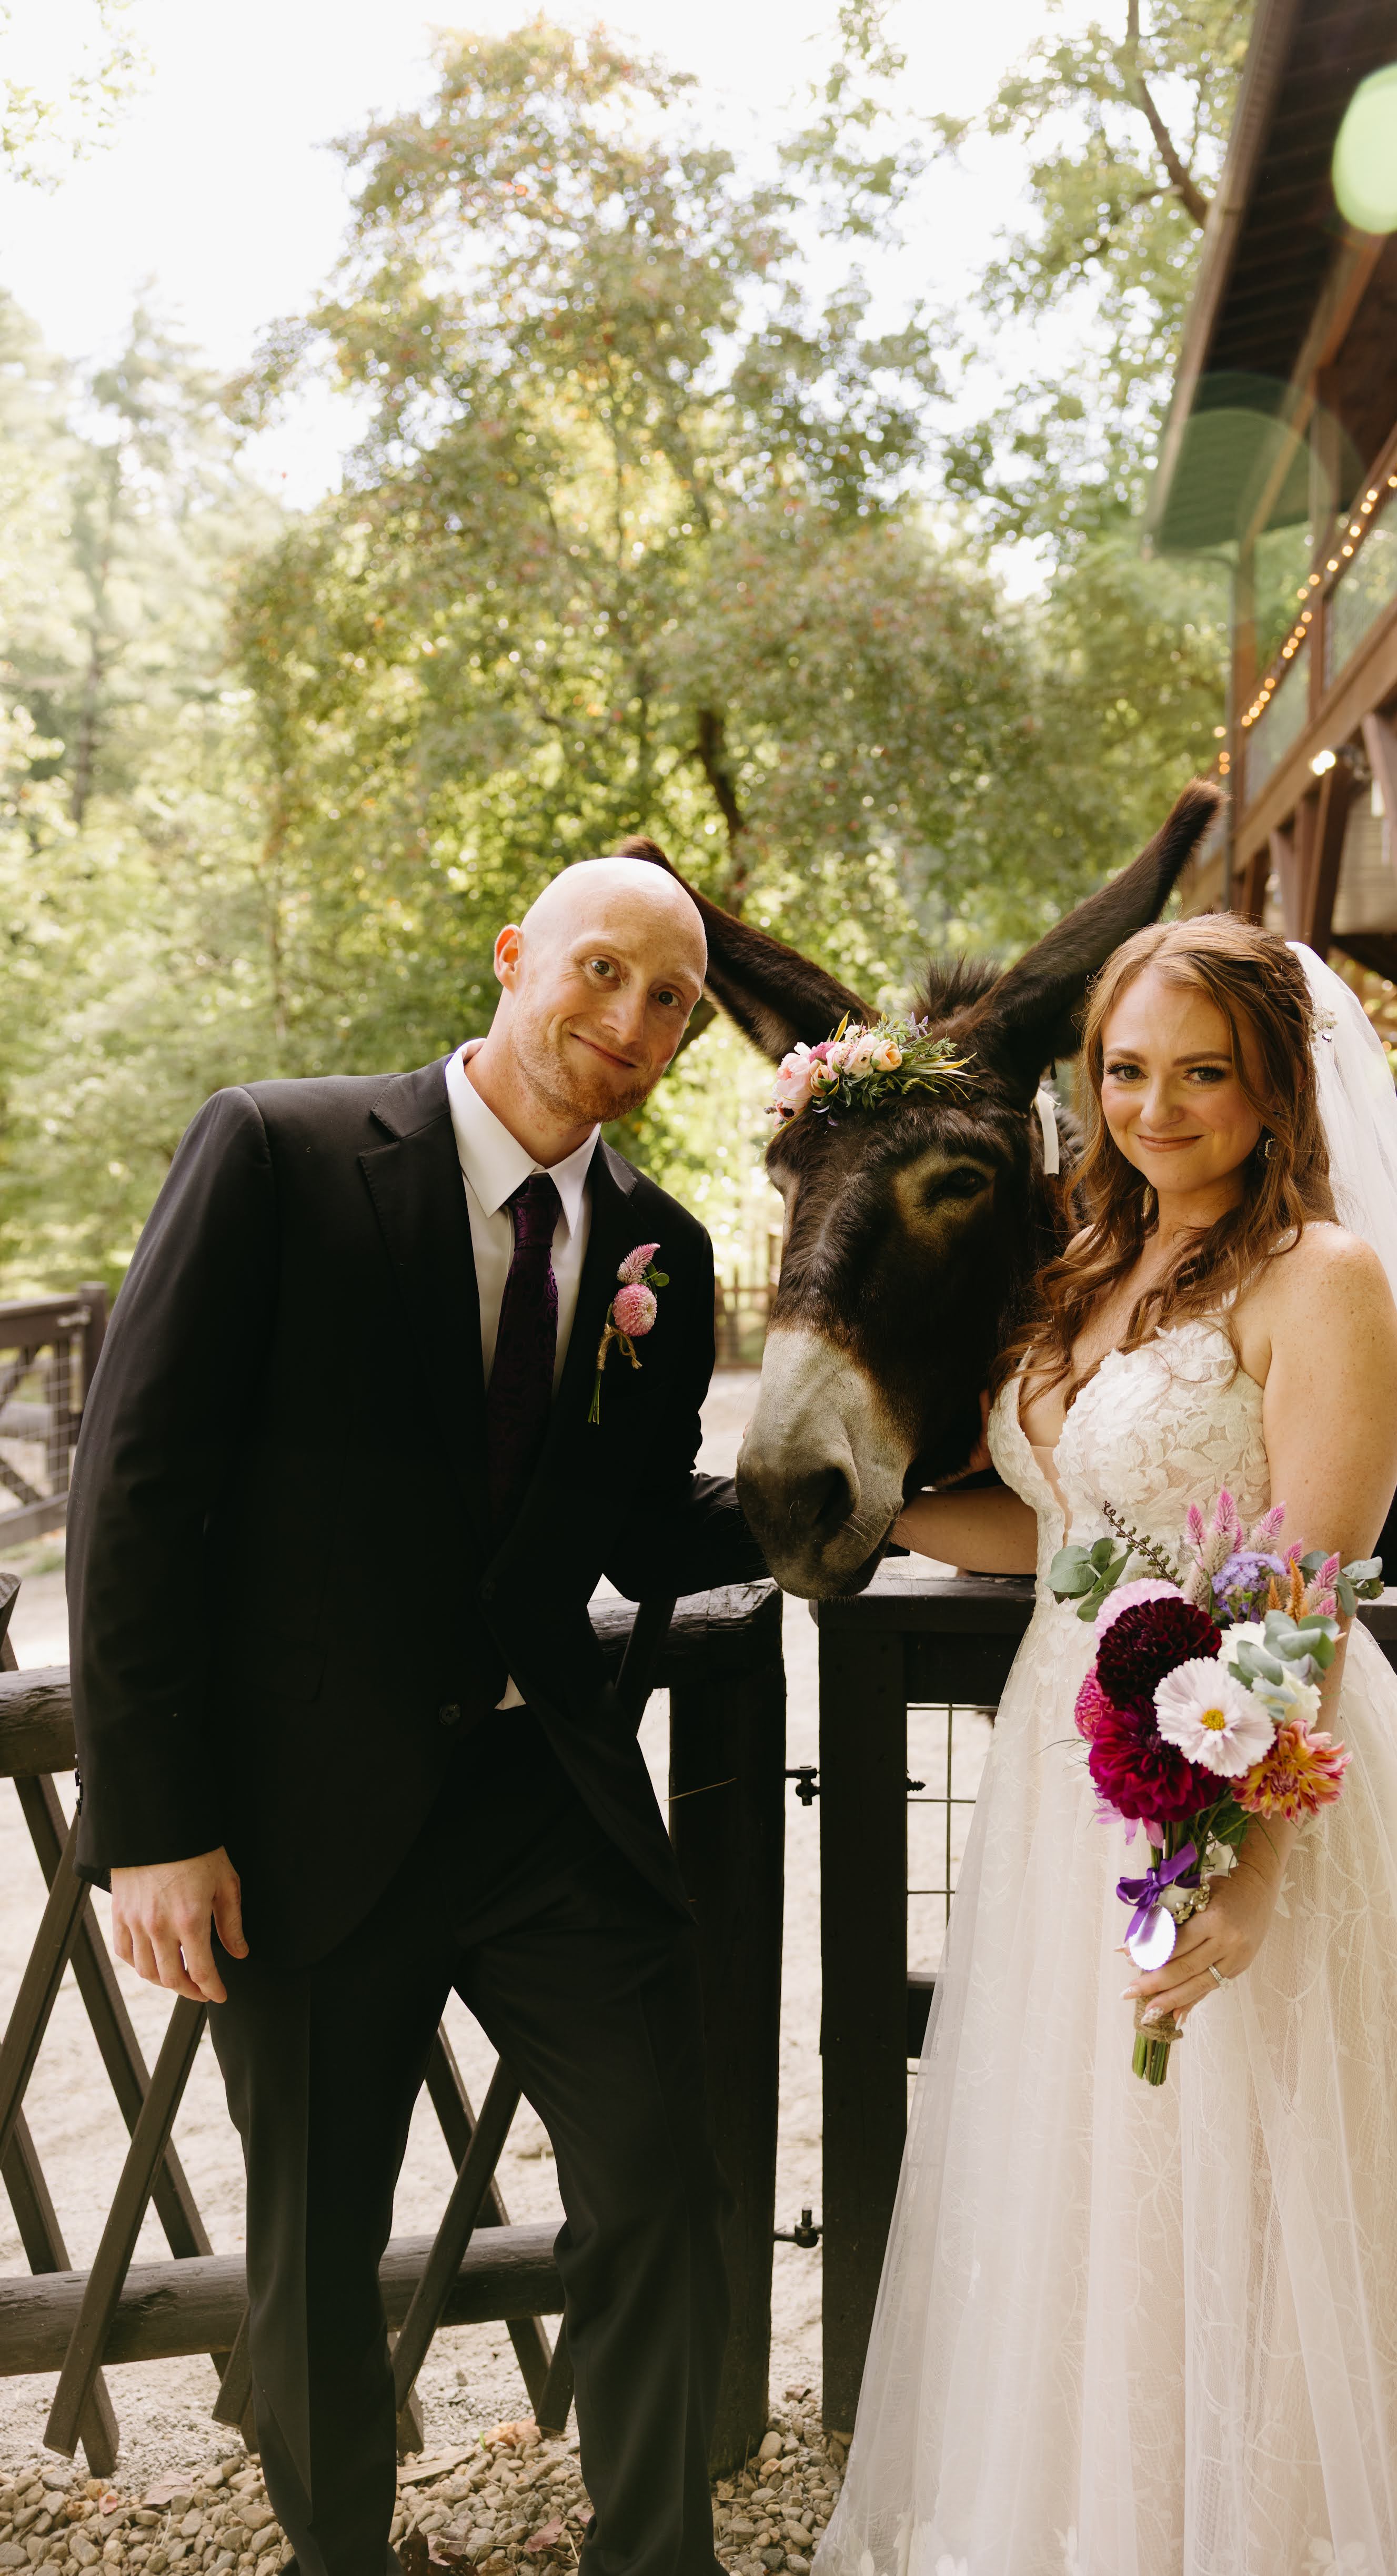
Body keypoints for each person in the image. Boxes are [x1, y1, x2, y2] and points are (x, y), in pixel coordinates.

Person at [818, 917, 1397, 2574]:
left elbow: (1307, 1592)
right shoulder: (1097, 1265)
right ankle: (1133, 2517)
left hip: (1247, 1790)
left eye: (1200, 1073)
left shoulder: (1327, 1279)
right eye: (1126, 1072)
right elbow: (1072, 1522)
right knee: (1114, 2196)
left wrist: (1246, 1873)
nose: (1156, 1107)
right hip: (1065, 1778)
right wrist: (848, 1517)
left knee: (1259, 2186)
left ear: (1275, 1083)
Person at [68, 855, 766, 2576]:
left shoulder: (661, 1255)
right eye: (600, 971)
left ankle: (657, 2557)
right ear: (517, 954)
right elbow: (134, 1486)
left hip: (547, 1798)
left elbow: (630, 1516)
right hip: (299, 1817)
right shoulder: (277, 1150)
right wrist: (153, 1820)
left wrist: (856, 1486)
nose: (629, 1021)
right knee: (313, 2245)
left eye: (670, 999)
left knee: (662, 2182)